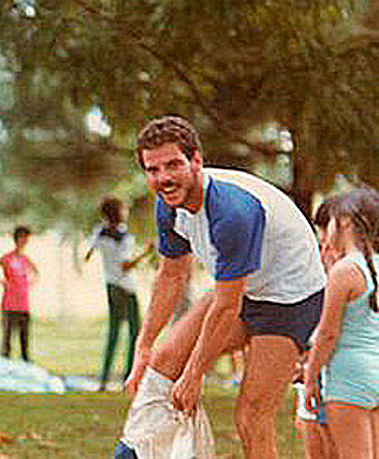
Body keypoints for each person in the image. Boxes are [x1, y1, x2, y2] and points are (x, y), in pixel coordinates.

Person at [117, 115, 326, 458]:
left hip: (290, 300)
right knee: (163, 363)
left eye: (173, 164)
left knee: (251, 416)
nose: (163, 178)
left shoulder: (232, 213)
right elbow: (171, 276)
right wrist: (144, 347)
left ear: (196, 160)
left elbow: (228, 307)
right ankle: (134, 452)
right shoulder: (168, 204)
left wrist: (195, 373)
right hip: (243, 289)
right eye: (153, 170)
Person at [304, 188, 379, 459]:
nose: (325, 232)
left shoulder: (345, 271)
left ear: (345, 221)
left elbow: (328, 333)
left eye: (329, 223)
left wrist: (310, 378)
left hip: (349, 377)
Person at [292, 196, 340, 459]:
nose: (323, 254)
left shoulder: (353, 279)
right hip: (314, 383)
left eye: (329, 246)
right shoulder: (314, 285)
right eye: (320, 245)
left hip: (343, 383)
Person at [84, 197, 149, 391]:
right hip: (127, 288)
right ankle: (128, 378)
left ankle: (104, 379)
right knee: (134, 333)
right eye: (124, 209)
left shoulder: (100, 233)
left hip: (111, 285)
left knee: (113, 333)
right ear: (118, 213)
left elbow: (88, 254)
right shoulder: (124, 238)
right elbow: (125, 266)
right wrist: (146, 253)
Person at [0, 226, 39, 362]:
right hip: (9, 304)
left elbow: (36, 273)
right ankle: (4, 363)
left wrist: (29, 283)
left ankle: (26, 363)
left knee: (24, 339)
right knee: (7, 339)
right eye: (22, 238)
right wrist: (1, 281)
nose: (24, 241)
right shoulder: (7, 258)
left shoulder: (25, 259)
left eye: (26, 239)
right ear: (16, 239)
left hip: (23, 304)